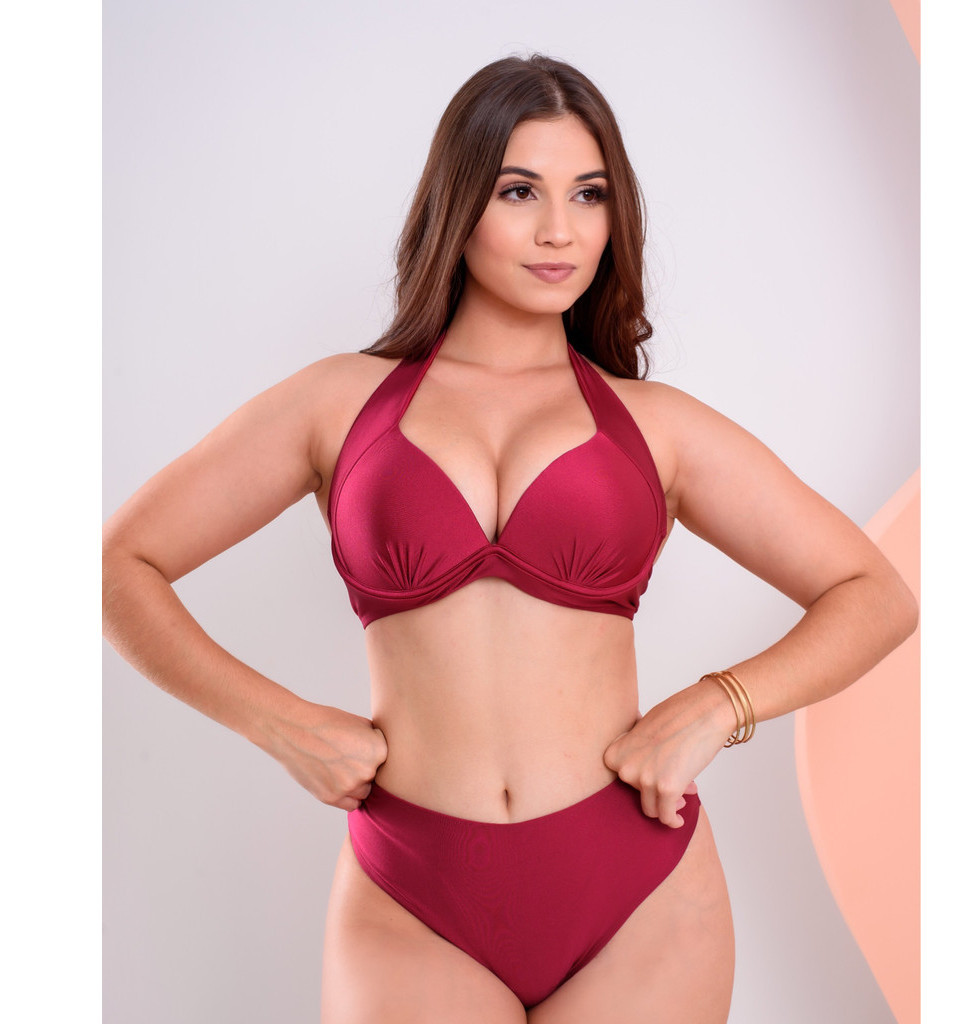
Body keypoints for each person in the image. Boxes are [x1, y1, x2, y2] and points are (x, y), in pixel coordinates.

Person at [102, 54, 918, 1023]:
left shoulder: (656, 425)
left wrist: (717, 705)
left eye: (589, 194)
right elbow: (120, 565)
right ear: (458, 203)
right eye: (519, 190)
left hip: (638, 891)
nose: (559, 229)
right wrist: (278, 723)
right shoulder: (338, 404)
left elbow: (874, 593)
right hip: (414, 889)